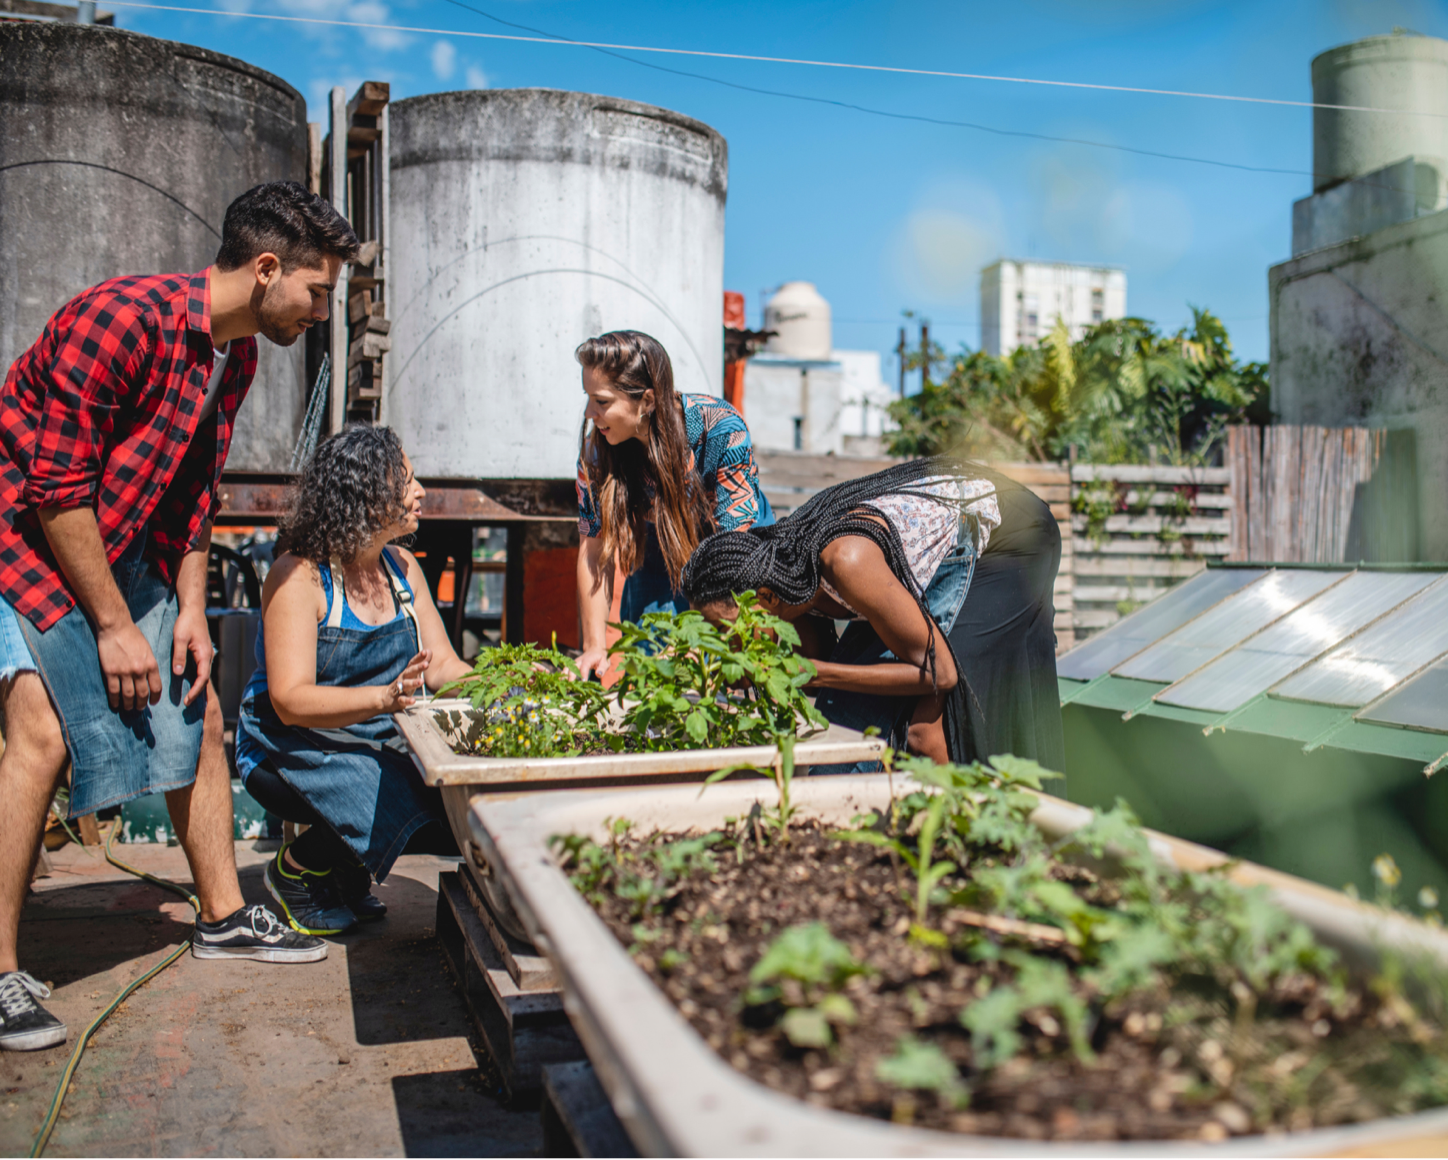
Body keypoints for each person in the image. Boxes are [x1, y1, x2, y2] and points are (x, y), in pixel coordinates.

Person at [0, 181, 359, 1051]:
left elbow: (192, 492)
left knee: (193, 708)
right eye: (317, 292)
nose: (321, 311)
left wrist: (188, 611)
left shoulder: (235, 356)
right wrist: (119, 626)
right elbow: (56, 493)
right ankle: (2, 972)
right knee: (41, 730)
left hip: (121, 545)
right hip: (24, 534)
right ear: (266, 268)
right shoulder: (118, 320)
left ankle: (225, 916)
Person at [234, 425, 473, 935]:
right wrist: (384, 698)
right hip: (286, 746)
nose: (420, 492)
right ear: (365, 495)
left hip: (369, 736)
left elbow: (445, 667)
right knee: (394, 795)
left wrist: (509, 677)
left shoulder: (403, 568)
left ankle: (342, 869)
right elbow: (290, 701)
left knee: (446, 802)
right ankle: (296, 871)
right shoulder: (299, 576)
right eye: (405, 481)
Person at [681, 458, 1064, 771]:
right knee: (845, 717)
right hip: (924, 555)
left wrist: (815, 672)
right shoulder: (790, 585)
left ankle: (959, 844)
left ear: (764, 597)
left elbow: (939, 674)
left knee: (923, 733)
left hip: (1007, 534)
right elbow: (820, 684)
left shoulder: (846, 561)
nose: (727, 645)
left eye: (725, 630)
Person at [574, 331, 773, 680]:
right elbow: (594, 552)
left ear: (647, 401)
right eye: (588, 398)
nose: (591, 413)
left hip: (733, 548)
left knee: (733, 669)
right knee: (655, 673)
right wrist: (595, 646)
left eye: (602, 401)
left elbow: (733, 551)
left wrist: (702, 638)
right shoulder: (596, 453)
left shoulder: (721, 429)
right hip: (659, 549)